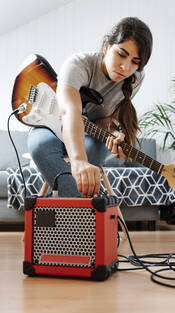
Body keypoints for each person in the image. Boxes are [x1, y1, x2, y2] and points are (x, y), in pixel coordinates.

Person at [28, 17, 153, 197]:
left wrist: (115, 132)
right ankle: (78, 211)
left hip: (90, 134)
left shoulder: (136, 78)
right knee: (39, 145)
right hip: (51, 126)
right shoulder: (78, 64)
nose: (126, 67)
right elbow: (69, 112)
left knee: (94, 149)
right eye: (121, 54)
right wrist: (78, 161)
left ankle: (64, 211)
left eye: (135, 61)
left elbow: (106, 117)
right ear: (106, 47)